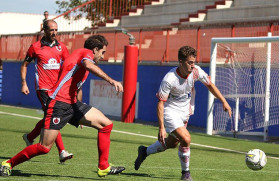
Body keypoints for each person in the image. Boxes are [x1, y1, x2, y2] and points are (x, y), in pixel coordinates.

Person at [0, 35, 125, 177]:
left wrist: (80, 112)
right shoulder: (86, 53)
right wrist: (111, 81)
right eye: (102, 52)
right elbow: (89, 65)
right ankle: (8, 164)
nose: (103, 57)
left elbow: (76, 86)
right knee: (44, 147)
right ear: (95, 50)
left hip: (73, 104)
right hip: (59, 103)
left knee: (106, 125)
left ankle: (103, 167)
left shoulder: (81, 59)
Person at [134, 46, 232, 181]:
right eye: (189, 63)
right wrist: (161, 127)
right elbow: (160, 103)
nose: (193, 65)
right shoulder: (169, 78)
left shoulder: (196, 72)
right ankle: (185, 174)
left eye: (194, 62)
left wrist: (224, 101)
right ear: (180, 62)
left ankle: (144, 151)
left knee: (173, 143)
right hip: (170, 112)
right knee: (186, 139)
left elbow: (210, 84)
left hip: (185, 112)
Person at [21, 19, 73, 163]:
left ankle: (30, 137)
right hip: (43, 89)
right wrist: (24, 83)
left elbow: (68, 67)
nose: (54, 33)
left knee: (48, 119)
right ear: (44, 30)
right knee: (54, 117)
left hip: (57, 89)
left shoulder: (62, 47)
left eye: (56, 30)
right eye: (51, 30)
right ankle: (62, 151)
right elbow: (25, 64)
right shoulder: (35, 47)